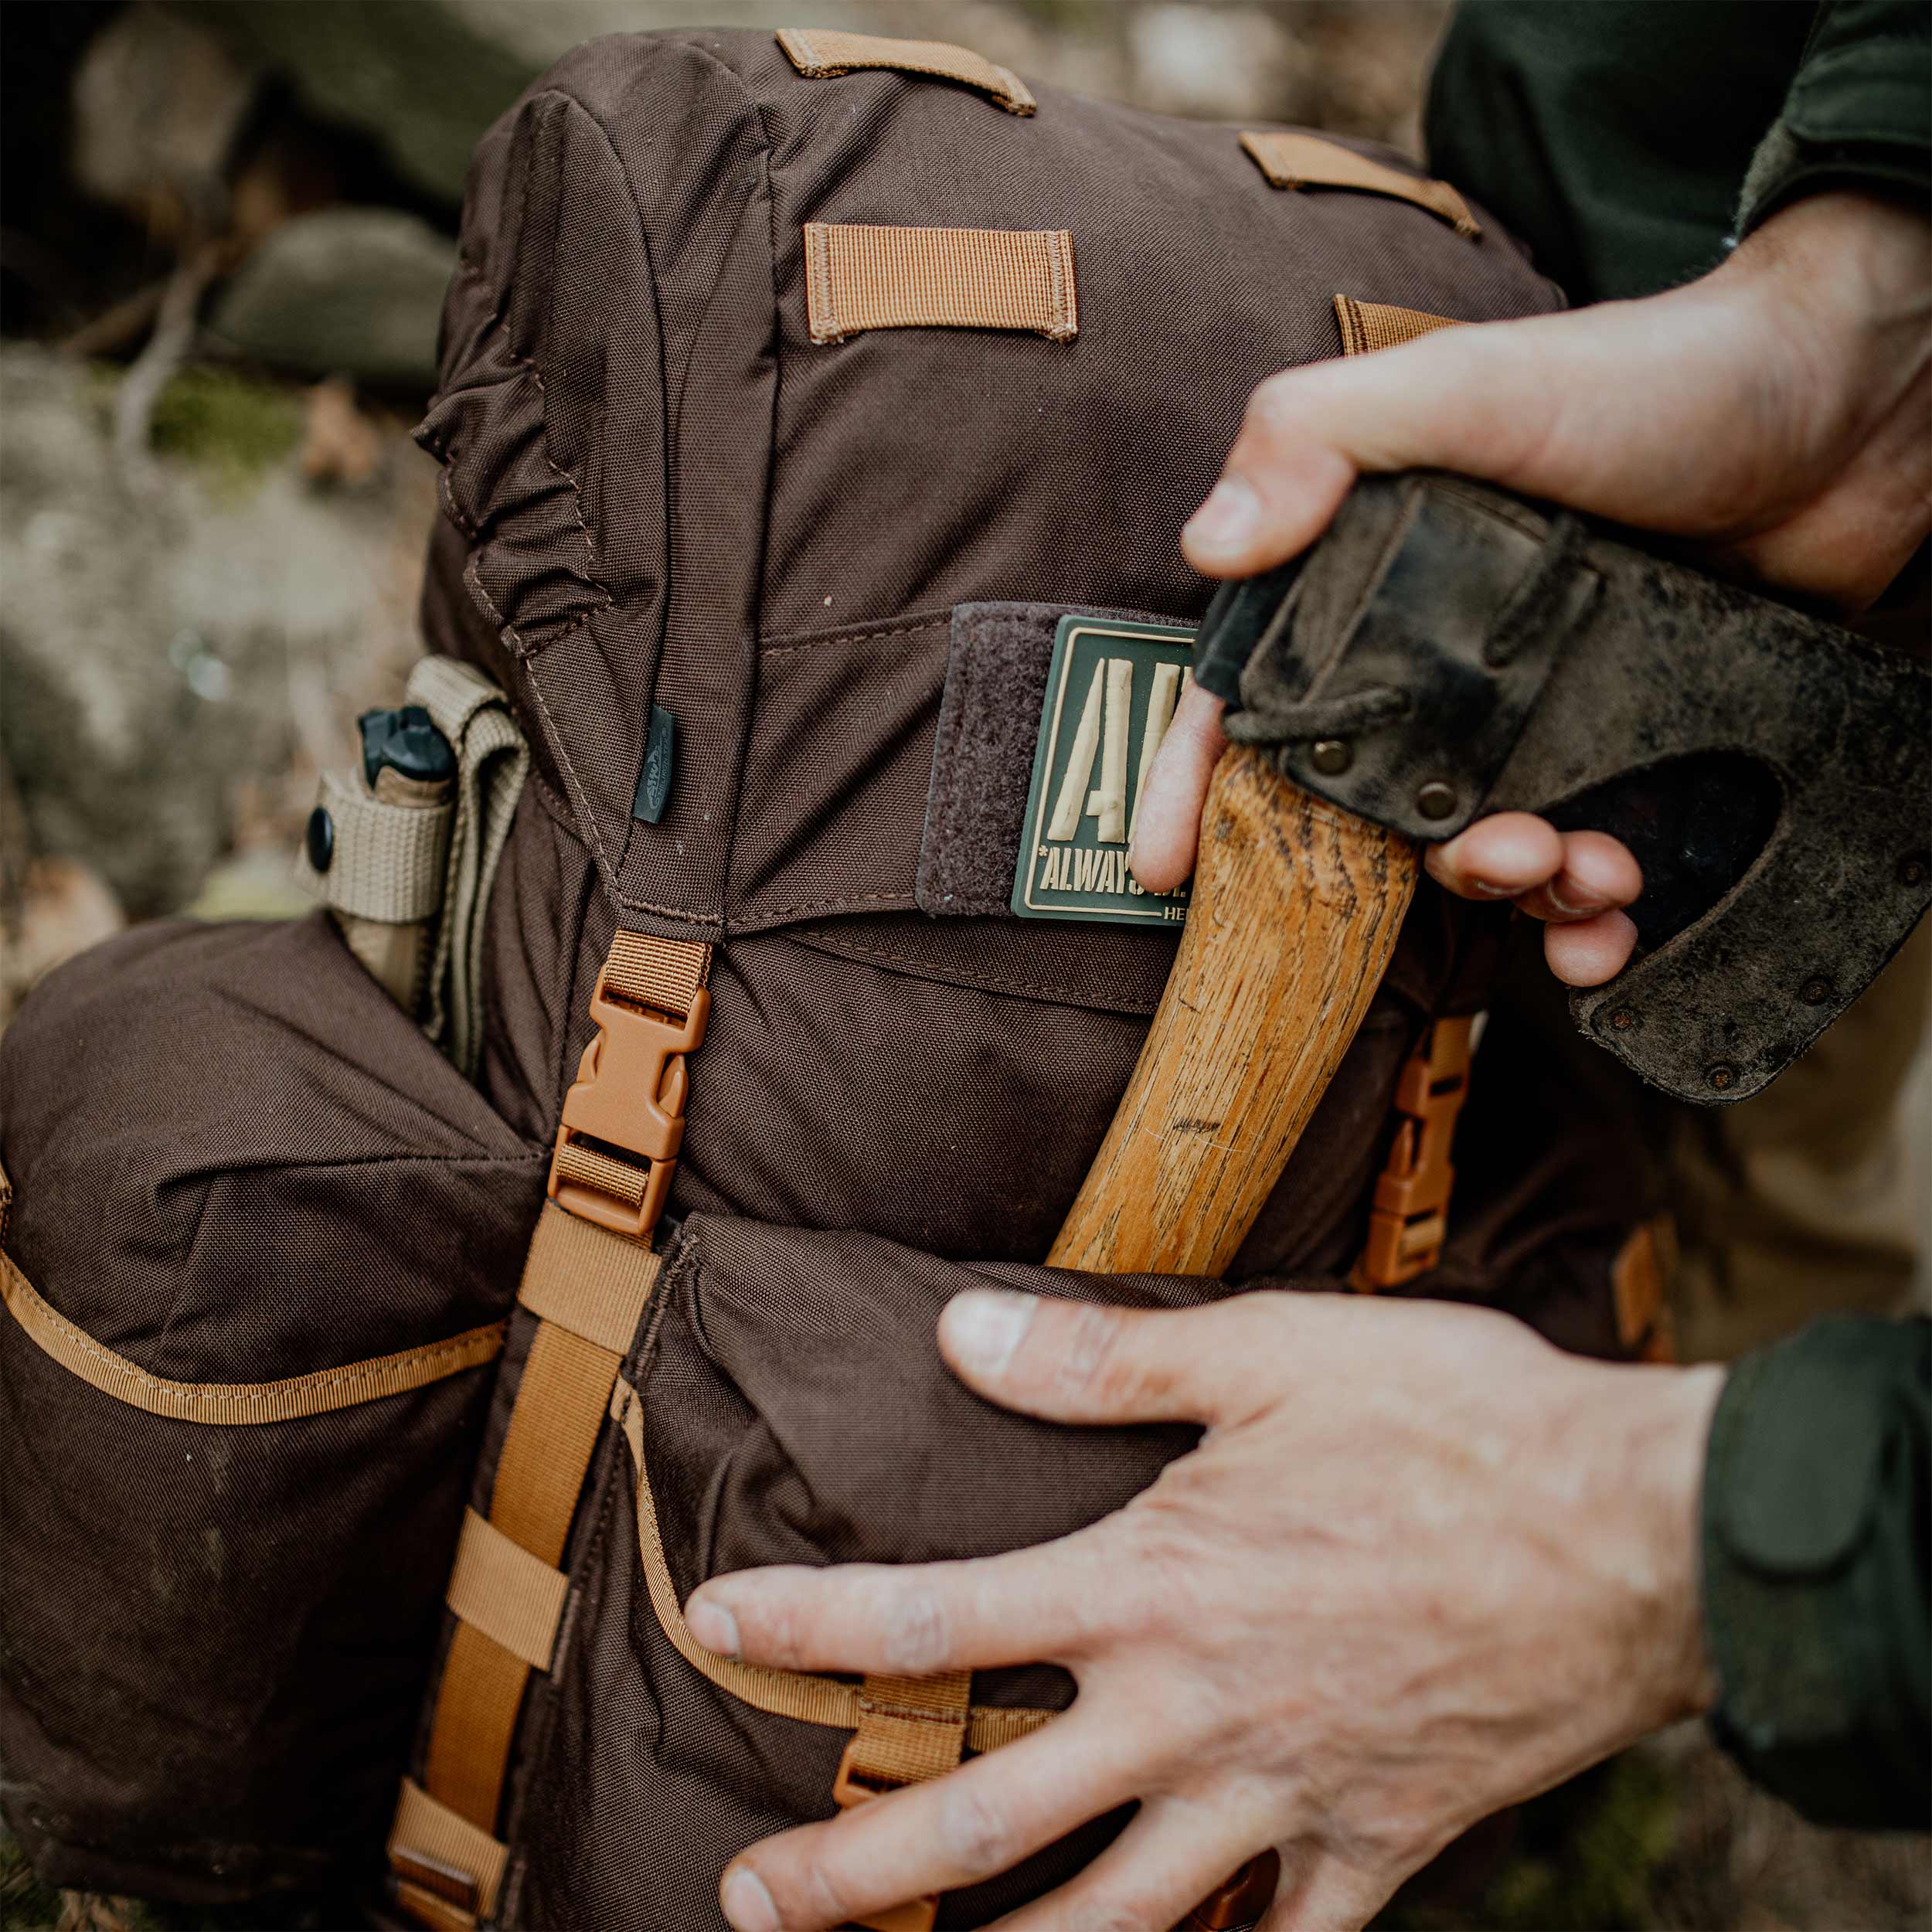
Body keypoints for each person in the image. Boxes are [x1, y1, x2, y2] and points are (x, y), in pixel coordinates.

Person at [685, 8, 1932, 1928]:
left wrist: (1670, 1549)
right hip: (1644, 237)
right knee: (1679, 1017)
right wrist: (1876, 275)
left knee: (1734, 1152)